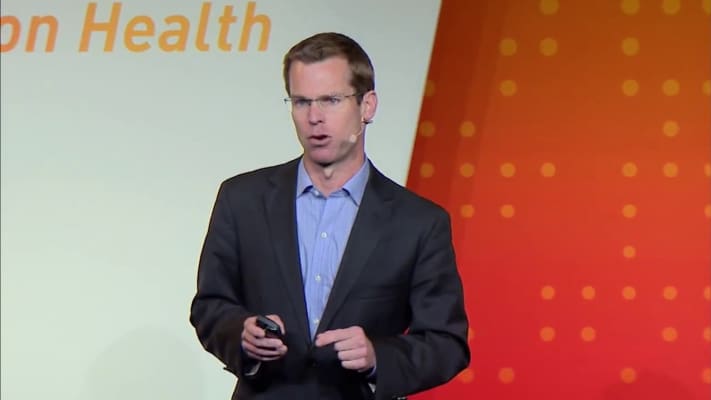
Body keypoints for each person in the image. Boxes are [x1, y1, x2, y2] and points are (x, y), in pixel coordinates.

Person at [189, 32, 470, 400]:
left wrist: (377, 357)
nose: (314, 117)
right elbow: (210, 305)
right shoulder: (242, 199)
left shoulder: (419, 222)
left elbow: (446, 343)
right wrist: (241, 335)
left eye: (331, 100)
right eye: (301, 102)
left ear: (367, 106)